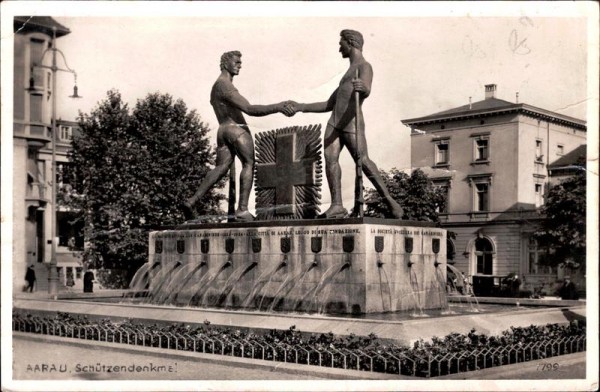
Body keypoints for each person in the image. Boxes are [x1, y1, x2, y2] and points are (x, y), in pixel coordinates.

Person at [286, 30, 403, 219]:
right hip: (334, 123)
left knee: (363, 160)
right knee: (330, 160)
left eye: (342, 43)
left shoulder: (364, 66)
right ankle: (337, 205)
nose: (339, 47)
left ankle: (389, 200)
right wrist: (301, 107)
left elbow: (366, 88)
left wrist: (363, 88)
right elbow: (329, 104)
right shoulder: (347, 73)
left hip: (351, 120)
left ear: (351, 43)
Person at [182, 51, 295, 222]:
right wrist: (278, 106)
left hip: (223, 130)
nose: (240, 65)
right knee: (249, 163)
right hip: (236, 129)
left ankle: (192, 201)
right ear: (225, 63)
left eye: (240, 62)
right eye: (236, 62)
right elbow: (250, 109)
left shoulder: (217, 86)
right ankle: (242, 209)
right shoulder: (224, 85)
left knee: (220, 168)